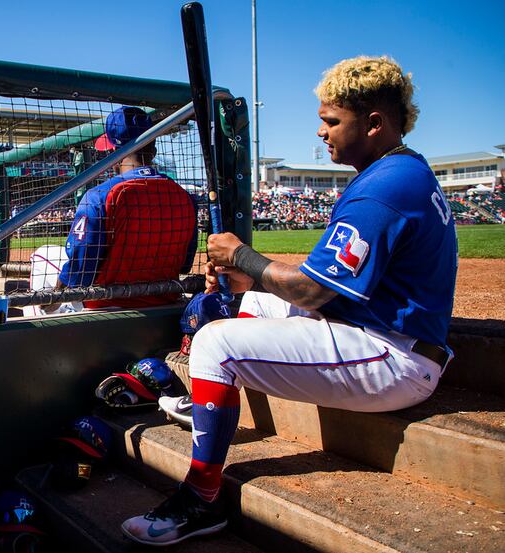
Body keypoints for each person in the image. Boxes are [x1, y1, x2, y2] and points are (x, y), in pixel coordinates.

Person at [122, 56, 458, 546]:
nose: (322, 133)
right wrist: (250, 279)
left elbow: (314, 291)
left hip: (395, 358)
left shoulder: (383, 189)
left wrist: (242, 255)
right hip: (380, 330)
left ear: (374, 124)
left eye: (331, 121)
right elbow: (325, 287)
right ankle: (212, 408)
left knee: (216, 343)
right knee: (253, 304)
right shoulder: (401, 171)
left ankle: (202, 499)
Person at [29, 106, 197, 314]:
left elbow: (80, 271)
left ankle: (44, 319)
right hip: (166, 304)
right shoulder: (185, 196)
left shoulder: (99, 195)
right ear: (153, 150)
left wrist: (52, 299)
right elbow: (185, 266)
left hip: (107, 308)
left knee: (43, 255)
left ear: (113, 153)